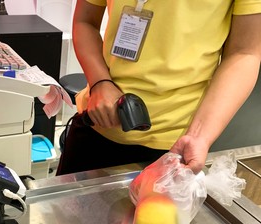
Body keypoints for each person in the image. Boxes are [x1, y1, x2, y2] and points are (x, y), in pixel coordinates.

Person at [56, 0, 261, 176]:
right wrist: (100, 82)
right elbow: (85, 21)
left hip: (176, 145)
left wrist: (199, 136)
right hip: (98, 122)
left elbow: (245, 53)